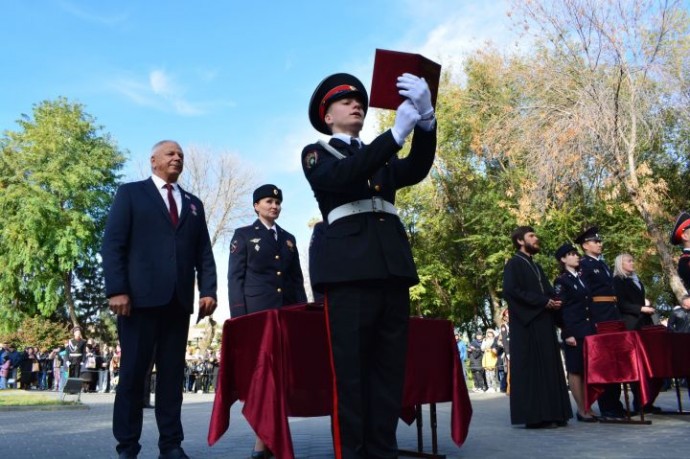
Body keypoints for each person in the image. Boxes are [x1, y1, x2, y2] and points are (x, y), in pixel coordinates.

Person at [301, 71, 436, 458]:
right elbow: (343, 176)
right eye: (345, 101)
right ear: (327, 116)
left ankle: (383, 451)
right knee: (352, 376)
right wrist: (394, 137)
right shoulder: (318, 153)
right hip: (349, 275)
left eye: (360, 100)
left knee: (388, 375)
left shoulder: (378, 156)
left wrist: (426, 121)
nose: (356, 104)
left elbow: (417, 168)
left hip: (391, 270)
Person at [101, 139, 217, 459]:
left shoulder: (193, 204)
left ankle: (171, 445)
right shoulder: (131, 194)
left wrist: (208, 290)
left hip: (178, 303)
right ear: (153, 160)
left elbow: (203, 252)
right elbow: (113, 245)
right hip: (137, 303)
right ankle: (127, 447)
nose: (177, 158)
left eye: (180, 154)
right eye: (170, 153)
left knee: (171, 379)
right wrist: (117, 290)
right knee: (133, 378)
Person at [502, 226, 572, 428]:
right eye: (531, 236)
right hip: (528, 326)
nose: (536, 238)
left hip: (544, 323)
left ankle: (555, 413)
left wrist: (554, 301)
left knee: (550, 368)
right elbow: (512, 291)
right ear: (520, 241)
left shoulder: (536, 266)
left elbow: (547, 291)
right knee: (534, 370)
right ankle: (536, 417)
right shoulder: (514, 264)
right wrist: (542, 302)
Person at [228, 184, 307, 318]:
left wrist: (303, 308)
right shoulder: (243, 235)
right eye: (269, 201)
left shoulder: (288, 238)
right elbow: (235, 277)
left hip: (289, 309)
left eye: (278, 202)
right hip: (256, 310)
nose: (274, 206)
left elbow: (296, 279)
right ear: (256, 206)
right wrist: (238, 313)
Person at [575, 226, 626, 418]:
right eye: (595, 241)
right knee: (605, 362)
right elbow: (584, 294)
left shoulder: (602, 264)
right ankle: (608, 406)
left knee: (616, 361)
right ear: (585, 245)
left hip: (612, 314)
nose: (599, 244)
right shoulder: (584, 265)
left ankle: (616, 403)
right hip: (600, 316)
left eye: (599, 241)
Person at [553, 243, 597, 422]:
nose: (576, 256)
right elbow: (558, 309)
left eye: (576, 254)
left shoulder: (581, 278)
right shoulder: (561, 281)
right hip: (574, 331)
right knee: (576, 369)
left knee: (587, 369)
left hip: (587, 329)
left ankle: (588, 406)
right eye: (571, 254)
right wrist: (567, 331)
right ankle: (581, 409)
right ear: (563, 259)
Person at [613, 253, 661, 414]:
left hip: (644, 324)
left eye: (633, 260)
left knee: (650, 363)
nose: (632, 263)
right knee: (636, 364)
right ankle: (639, 402)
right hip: (631, 325)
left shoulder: (636, 280)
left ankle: (648, 400)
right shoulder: (618, 281)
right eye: (629, 261)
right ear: (621, 264)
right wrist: (641, 308)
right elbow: (621, 303)